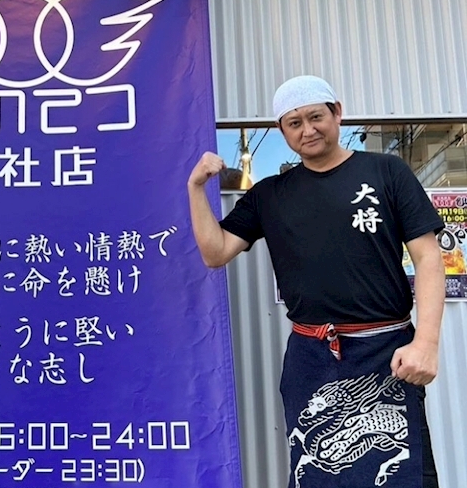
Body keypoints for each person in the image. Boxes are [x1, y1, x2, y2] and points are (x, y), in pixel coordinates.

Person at [187, 75, 445, 488]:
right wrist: (196, 188)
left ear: (337, 113)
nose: (307, 130)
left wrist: (426, 344)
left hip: (386, 350)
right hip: (311, 355)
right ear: (282, 130)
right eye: (294, 123)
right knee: (317, 471)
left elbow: (428, 257)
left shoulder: (386, 171)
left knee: (401, 473)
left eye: (315, 117)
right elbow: (215, 252)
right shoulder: (269, 195)